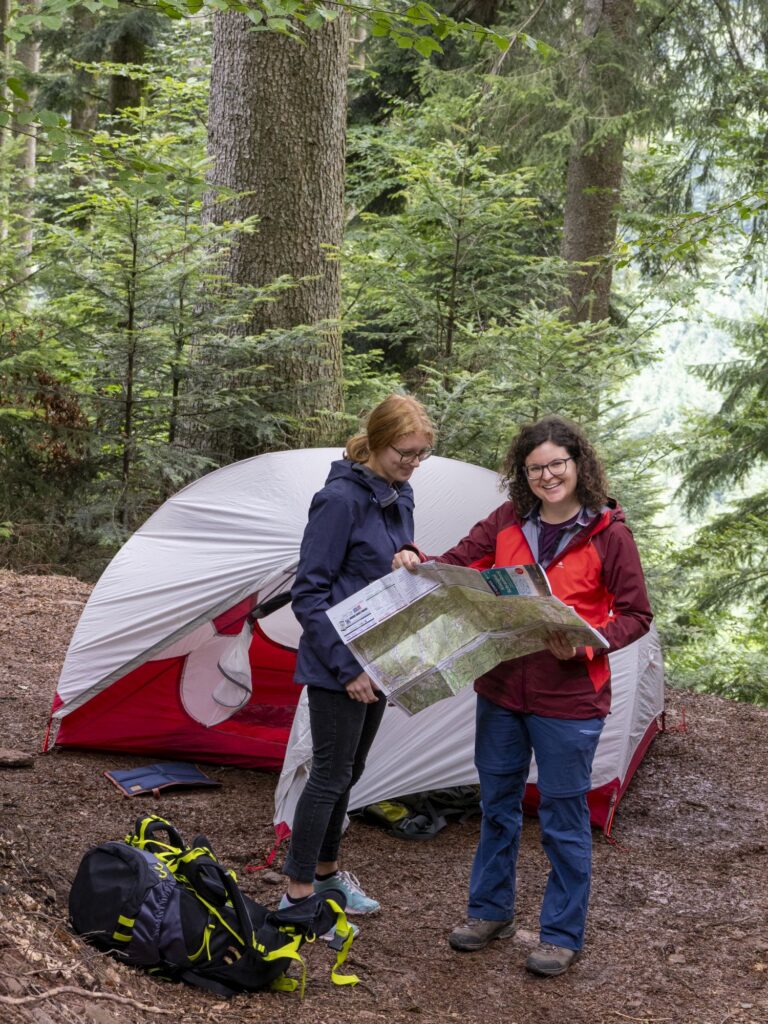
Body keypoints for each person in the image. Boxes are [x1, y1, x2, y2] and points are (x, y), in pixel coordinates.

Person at [393, 415, 652, 976]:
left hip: (571, 699)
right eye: (535, 469)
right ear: (522, 474)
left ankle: (560, 935)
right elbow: (457, 562)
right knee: (497, 808)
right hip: (503, 689)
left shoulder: (609, 533)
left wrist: (587, 643)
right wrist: (414, 555)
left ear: (578, 465)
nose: (547, 476)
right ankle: (491, 913)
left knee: (562, 817)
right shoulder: (508, 520)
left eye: (557, 464)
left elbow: (637, 615)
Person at [281, 394, 435, 921]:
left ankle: (327, 876)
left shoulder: (400, 493)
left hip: (380, 654)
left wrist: (410, 555)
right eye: (404, 453)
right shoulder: (338, 500)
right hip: (338, 664)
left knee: (351, 771)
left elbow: (389, 556)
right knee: (328, 775)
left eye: (420, 455)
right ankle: (297, 895)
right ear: (375, 442)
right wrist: (347, 668)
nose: (412, 463)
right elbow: (308, 594)